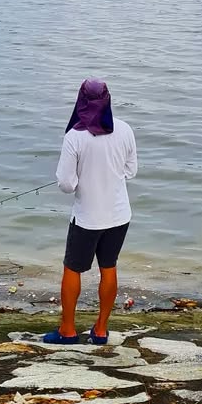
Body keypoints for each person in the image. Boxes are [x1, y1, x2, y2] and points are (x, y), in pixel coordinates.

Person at [43, 79, 137, 346]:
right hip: (119, 216)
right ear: (108, 99)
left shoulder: (74, 136)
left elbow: (66, 184)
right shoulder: (125, 129)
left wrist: (82, 179)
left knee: (72, 269)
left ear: (81, 101)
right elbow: (131, 171)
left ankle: (68, 330)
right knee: (109, 268)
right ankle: (101, 330)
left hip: (87, 218)